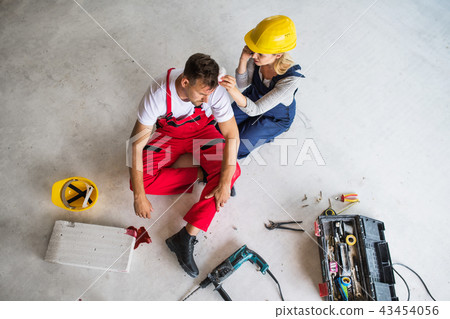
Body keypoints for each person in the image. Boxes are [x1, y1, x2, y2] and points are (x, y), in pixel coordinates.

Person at [128, 53, 240, 278]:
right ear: (185, 82)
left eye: (209, 94)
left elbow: (231, 135)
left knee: (232, 171)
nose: (207, 100)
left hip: (204, 132)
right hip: (170, 135)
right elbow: (135, 145)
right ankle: (204, 174)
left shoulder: (212, 88)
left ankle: (186, 236)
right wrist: (139, 196)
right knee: (139, 182)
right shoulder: (159, 93)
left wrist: (225, 181)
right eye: (201, 94)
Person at [220, 15, 305, 159]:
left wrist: (232, 90)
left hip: (275, 117)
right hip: (253, 97)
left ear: (278, 55)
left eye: (260, 54)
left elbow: (256, 110)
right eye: (254, 51)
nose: (254, 56)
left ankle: (267, 133)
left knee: (237, 146)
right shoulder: (257, 59)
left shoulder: (291, 80)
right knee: (219, 129)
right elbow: (242, 84)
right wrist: (243, 59)